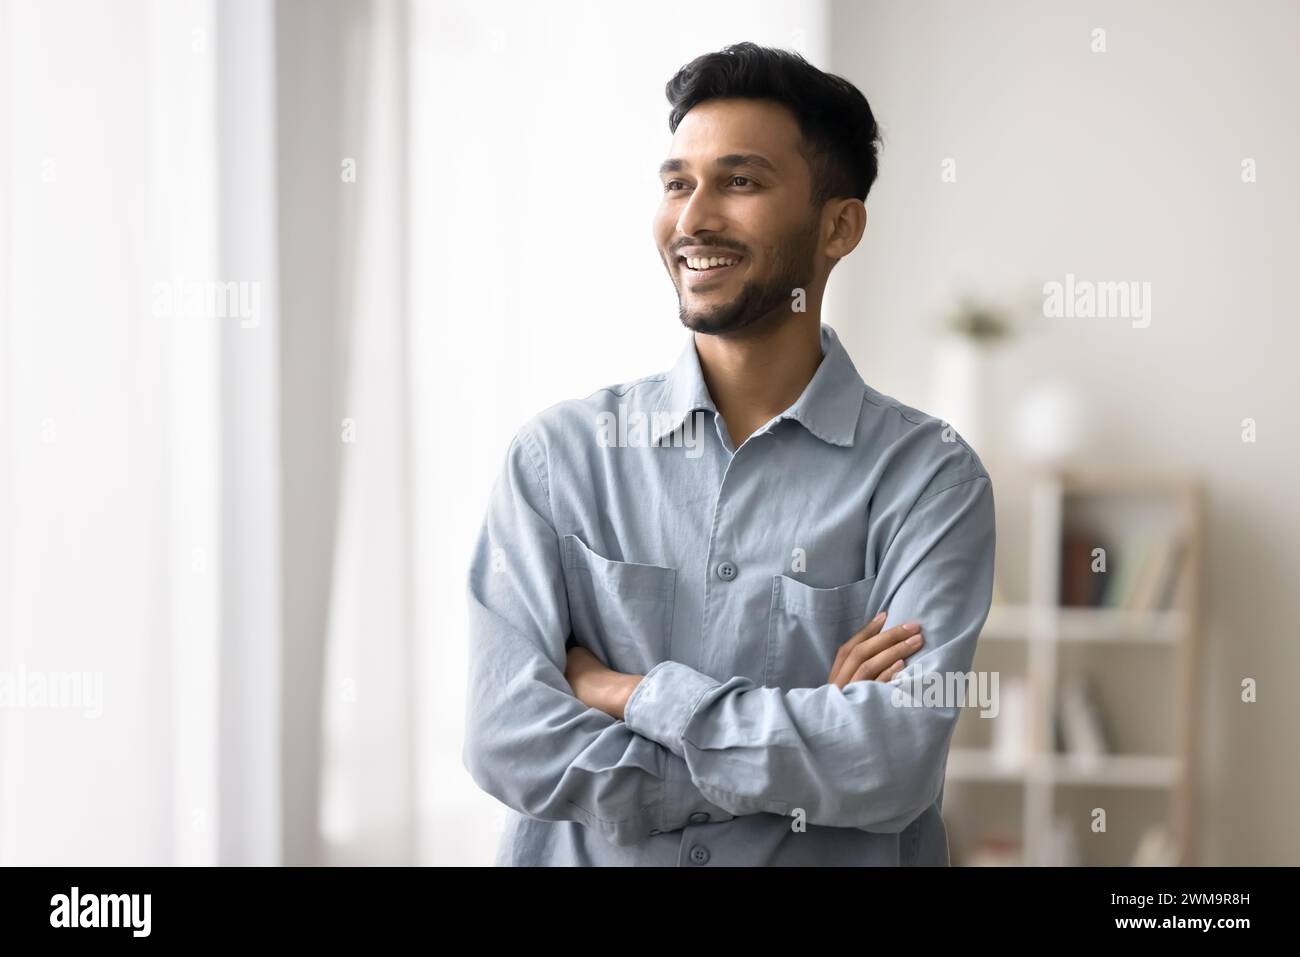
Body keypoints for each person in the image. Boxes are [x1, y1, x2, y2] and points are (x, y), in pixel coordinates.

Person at [462, 41, 996, 866]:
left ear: (839, 226)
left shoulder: (931, 479)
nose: (692, 218)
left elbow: (892, 764)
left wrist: (627, 691)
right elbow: (508, 736)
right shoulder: (557, 460)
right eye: (678, 182)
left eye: (739, 182)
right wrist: (804, 746)